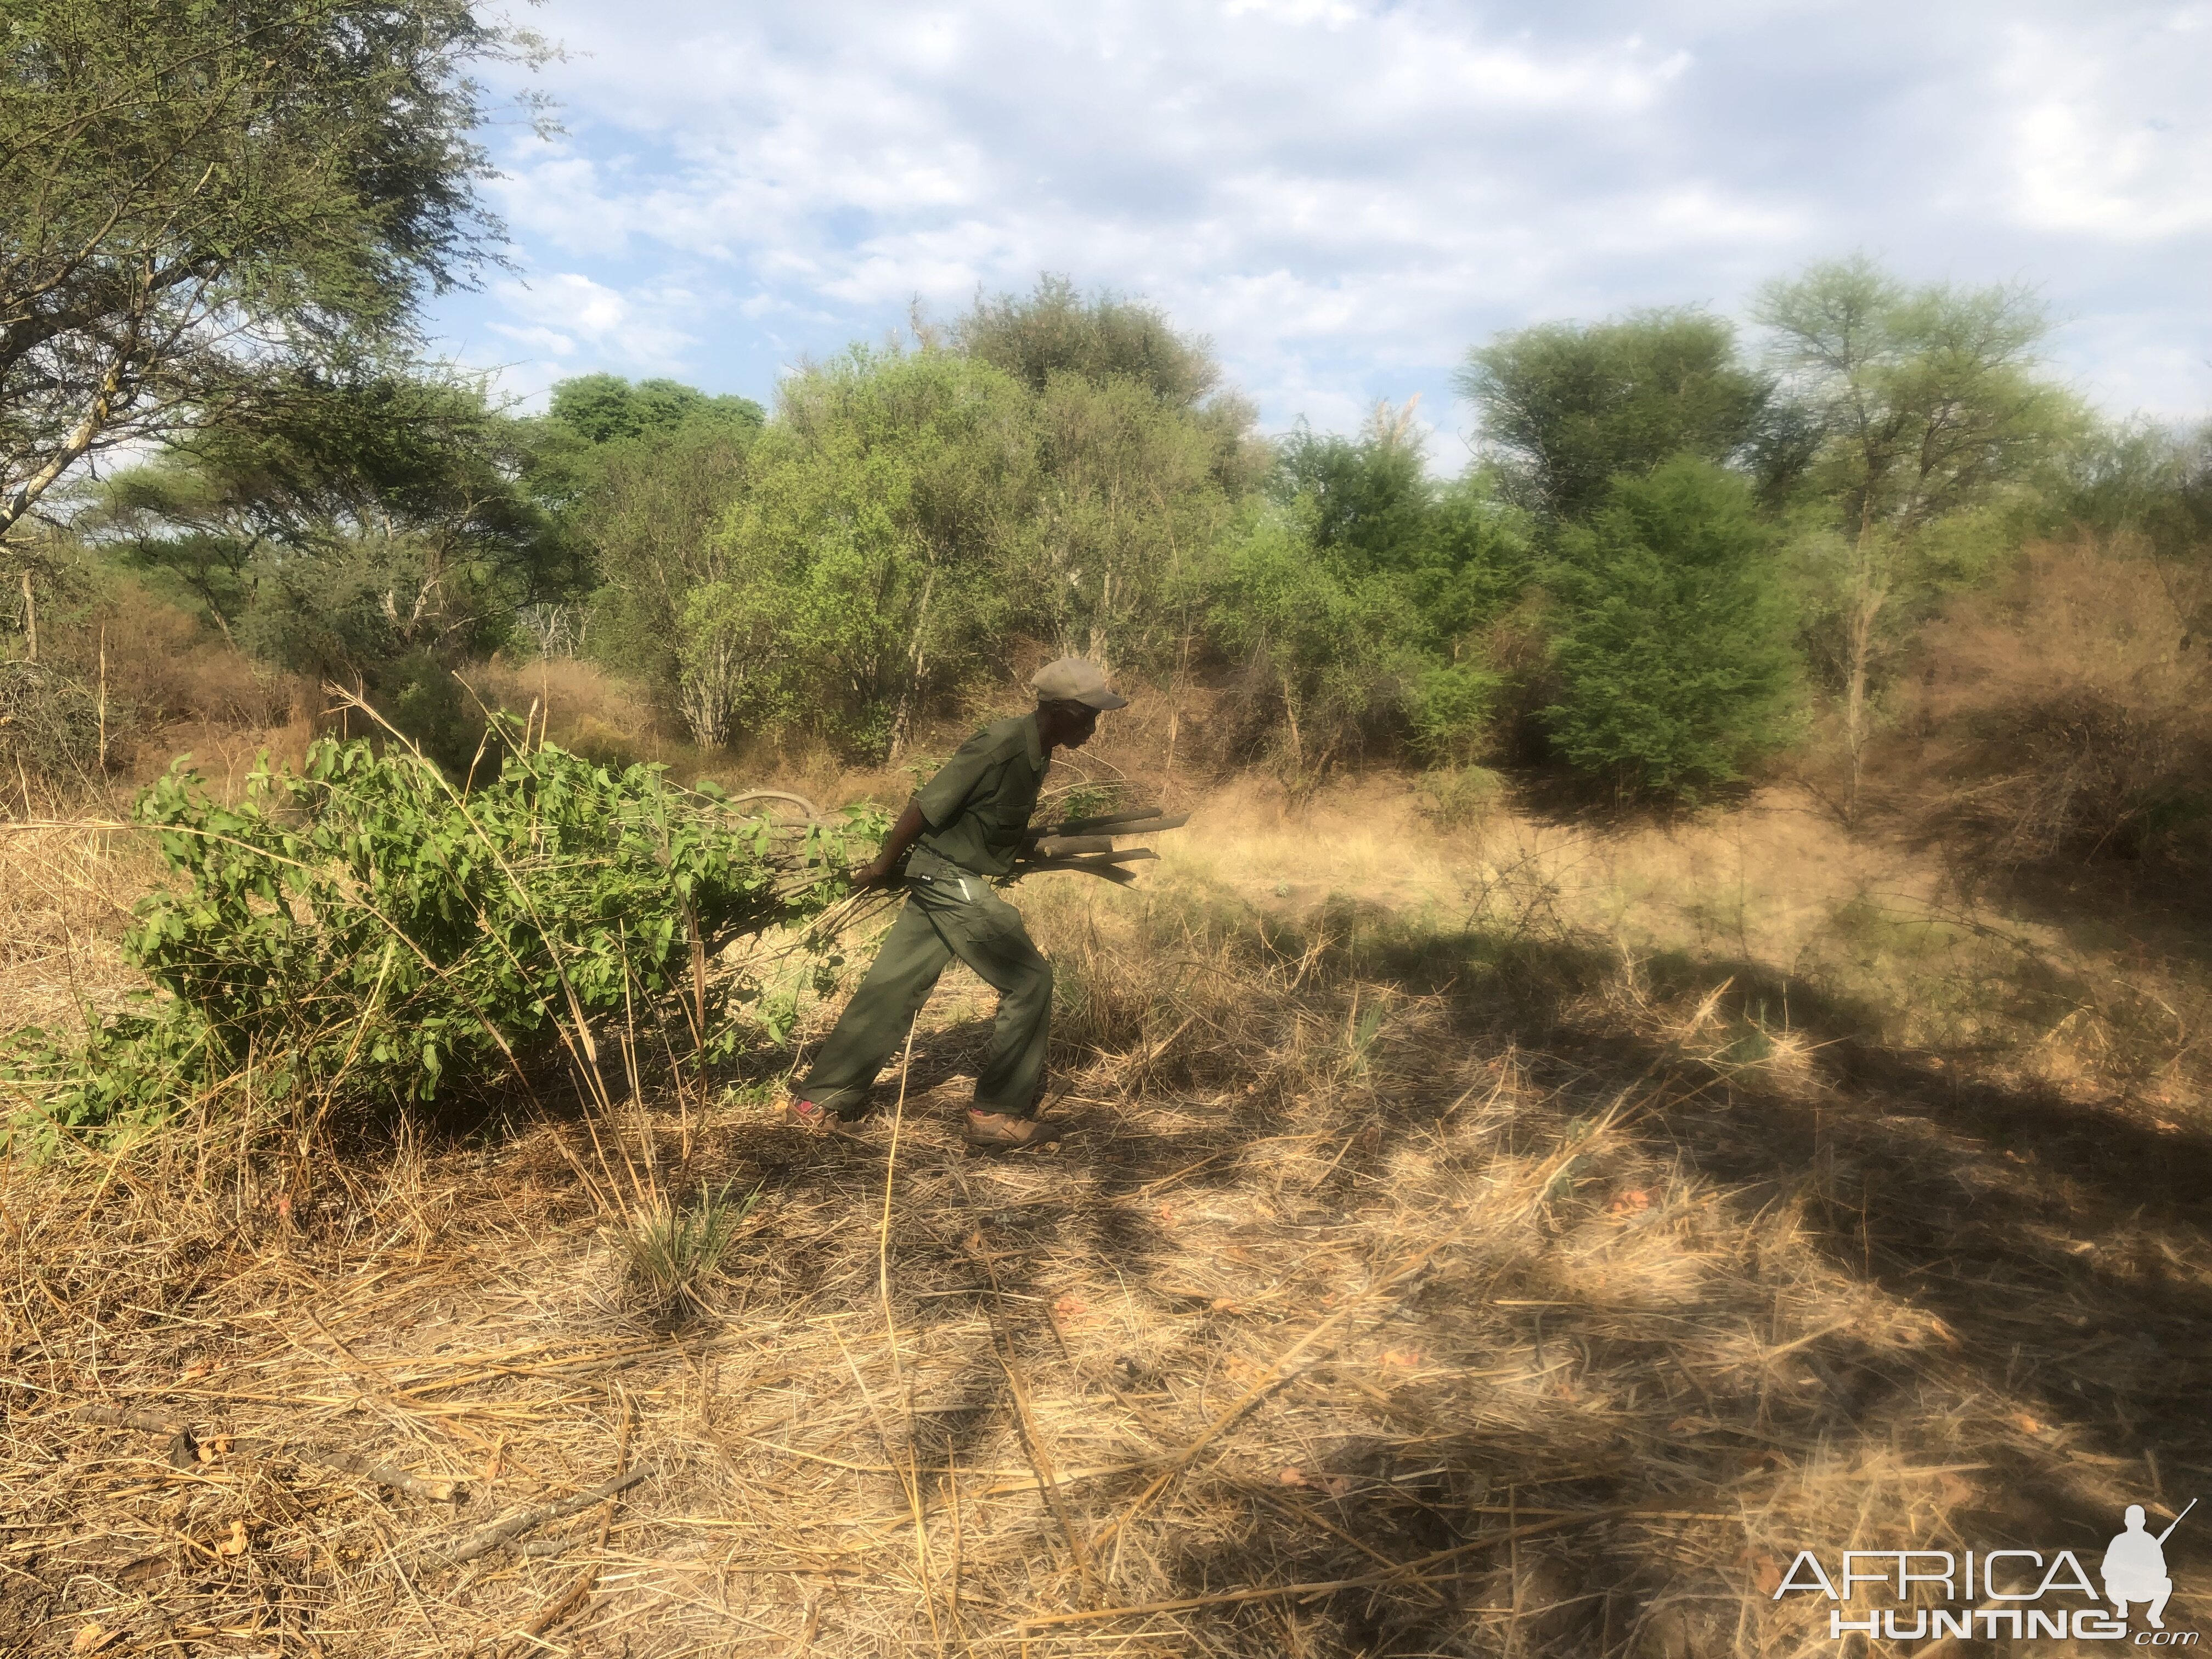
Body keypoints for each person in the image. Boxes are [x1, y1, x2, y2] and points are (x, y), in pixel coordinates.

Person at [786, 657, 1127, 1149]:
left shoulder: (1039, 750)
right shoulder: (1000, 745)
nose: (1095, 725)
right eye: (1089, 714)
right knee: (1030, 980)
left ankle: (816, 1103)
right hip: (949, 878)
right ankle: (995, 1115)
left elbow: (985, 819)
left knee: (892, 986)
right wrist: (883, 866)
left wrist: (1023, 848)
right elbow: (926, 806)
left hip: (944, 874)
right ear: (1061, 709)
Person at [2103, 1504, 2175, 1628]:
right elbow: (2105, 1571)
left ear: (2143, 1522)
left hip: (2145, 1589)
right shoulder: (2118, 1541)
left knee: (2167, 1583)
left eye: (2137, 1520)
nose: (2134, 1523)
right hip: (2123, 1589)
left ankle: (2154, 1615)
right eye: (2131, 1520)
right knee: (2110, 1584)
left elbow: (2162, 1571)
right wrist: (2122, 1570)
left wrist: (2146, 1573)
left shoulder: (2151, 1542)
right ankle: (2122, 1605)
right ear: (2126, 1522)